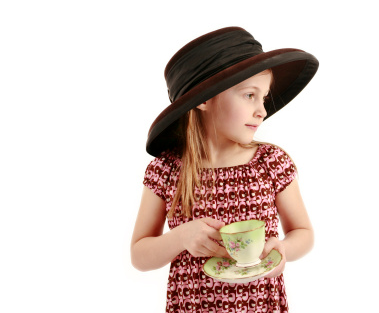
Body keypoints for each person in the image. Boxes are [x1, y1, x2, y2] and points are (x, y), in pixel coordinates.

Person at [131, 26, 319, 312]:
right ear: (205, 99)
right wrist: (181, 237)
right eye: (249, 95)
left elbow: (303, 232)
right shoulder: (166, 170)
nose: (262, 110)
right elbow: (139, 255)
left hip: (259, 305)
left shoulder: (270, 162)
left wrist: (283, 249)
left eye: (263, 97)